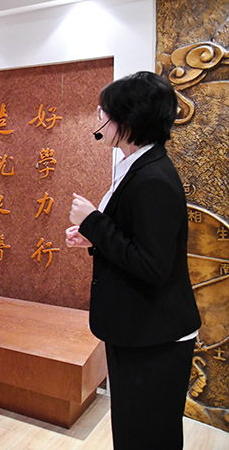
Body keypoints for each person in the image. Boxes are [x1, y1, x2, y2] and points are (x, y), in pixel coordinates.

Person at [66, 71, 201, 450]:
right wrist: (93, 237)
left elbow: (153, 265)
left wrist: (93, 221)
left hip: (155, 335)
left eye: (105, 111)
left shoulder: (152, 177)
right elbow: (135, 240)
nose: (100, 118)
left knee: (148, 435)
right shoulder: (137, 165)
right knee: (133, 430)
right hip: (138, 327)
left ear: (128, 119)